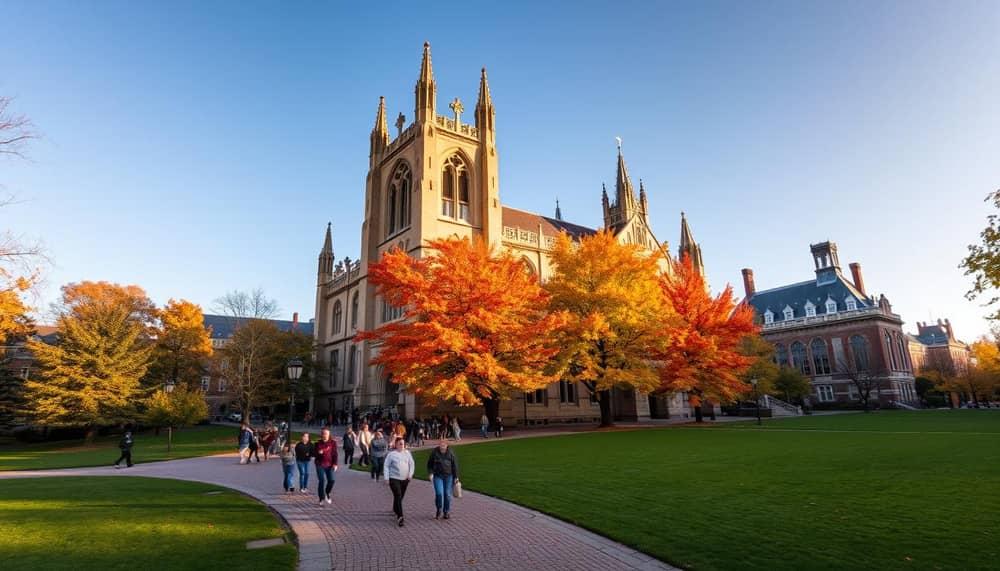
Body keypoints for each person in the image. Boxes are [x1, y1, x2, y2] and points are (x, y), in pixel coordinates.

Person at [383, 437, 415, 527]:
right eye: (400, 444)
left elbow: (412, 464)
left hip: (405, 479)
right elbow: (386, 466)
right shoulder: (391, 454)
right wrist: (386, 478)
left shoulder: (407, 453)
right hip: (394, 478)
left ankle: (395, 508)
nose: (402, 445)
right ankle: (400, 517)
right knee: (398, 495)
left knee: (400, 497)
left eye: (403, 444)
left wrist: (410, 474)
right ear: (396, 444)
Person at [427, 438, 459, 519]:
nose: (442, 446)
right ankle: (439, 509)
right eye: (441, 444)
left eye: (444, 444)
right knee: (439, 493)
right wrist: (431, 473)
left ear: (447, 445)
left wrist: (456, 477)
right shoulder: (434, 452)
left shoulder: (450, 453)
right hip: (438, 476)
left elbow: (454, 466)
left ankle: (446, 511)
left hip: (449, 476)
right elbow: (429, 464)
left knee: (447, 494)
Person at [314, 428, 339, 505]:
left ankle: (327, 493)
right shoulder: (318, 443)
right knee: (322, 481)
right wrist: (318, 453)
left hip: (330, 465)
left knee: (331, 480)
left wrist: (335, 464)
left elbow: (335, 454)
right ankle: (321, 498)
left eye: (326, 434)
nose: (325, 435)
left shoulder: (333, 443)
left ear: (329, 434)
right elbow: (314, 454)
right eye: (323, 433)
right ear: (321, 434)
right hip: (320, 464)